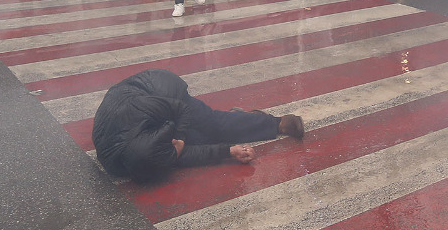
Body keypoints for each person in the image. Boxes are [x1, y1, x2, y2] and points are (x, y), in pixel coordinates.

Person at [91, 68, 306, 184]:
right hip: (139, 120)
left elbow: (180, 110)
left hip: (159, 90)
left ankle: (276, 123)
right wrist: (229, 151)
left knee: (212, 125)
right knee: (199, 140)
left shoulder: (138, 109)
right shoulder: (118, 164)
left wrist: (180, 138)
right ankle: (241, 118)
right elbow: (177, 158)